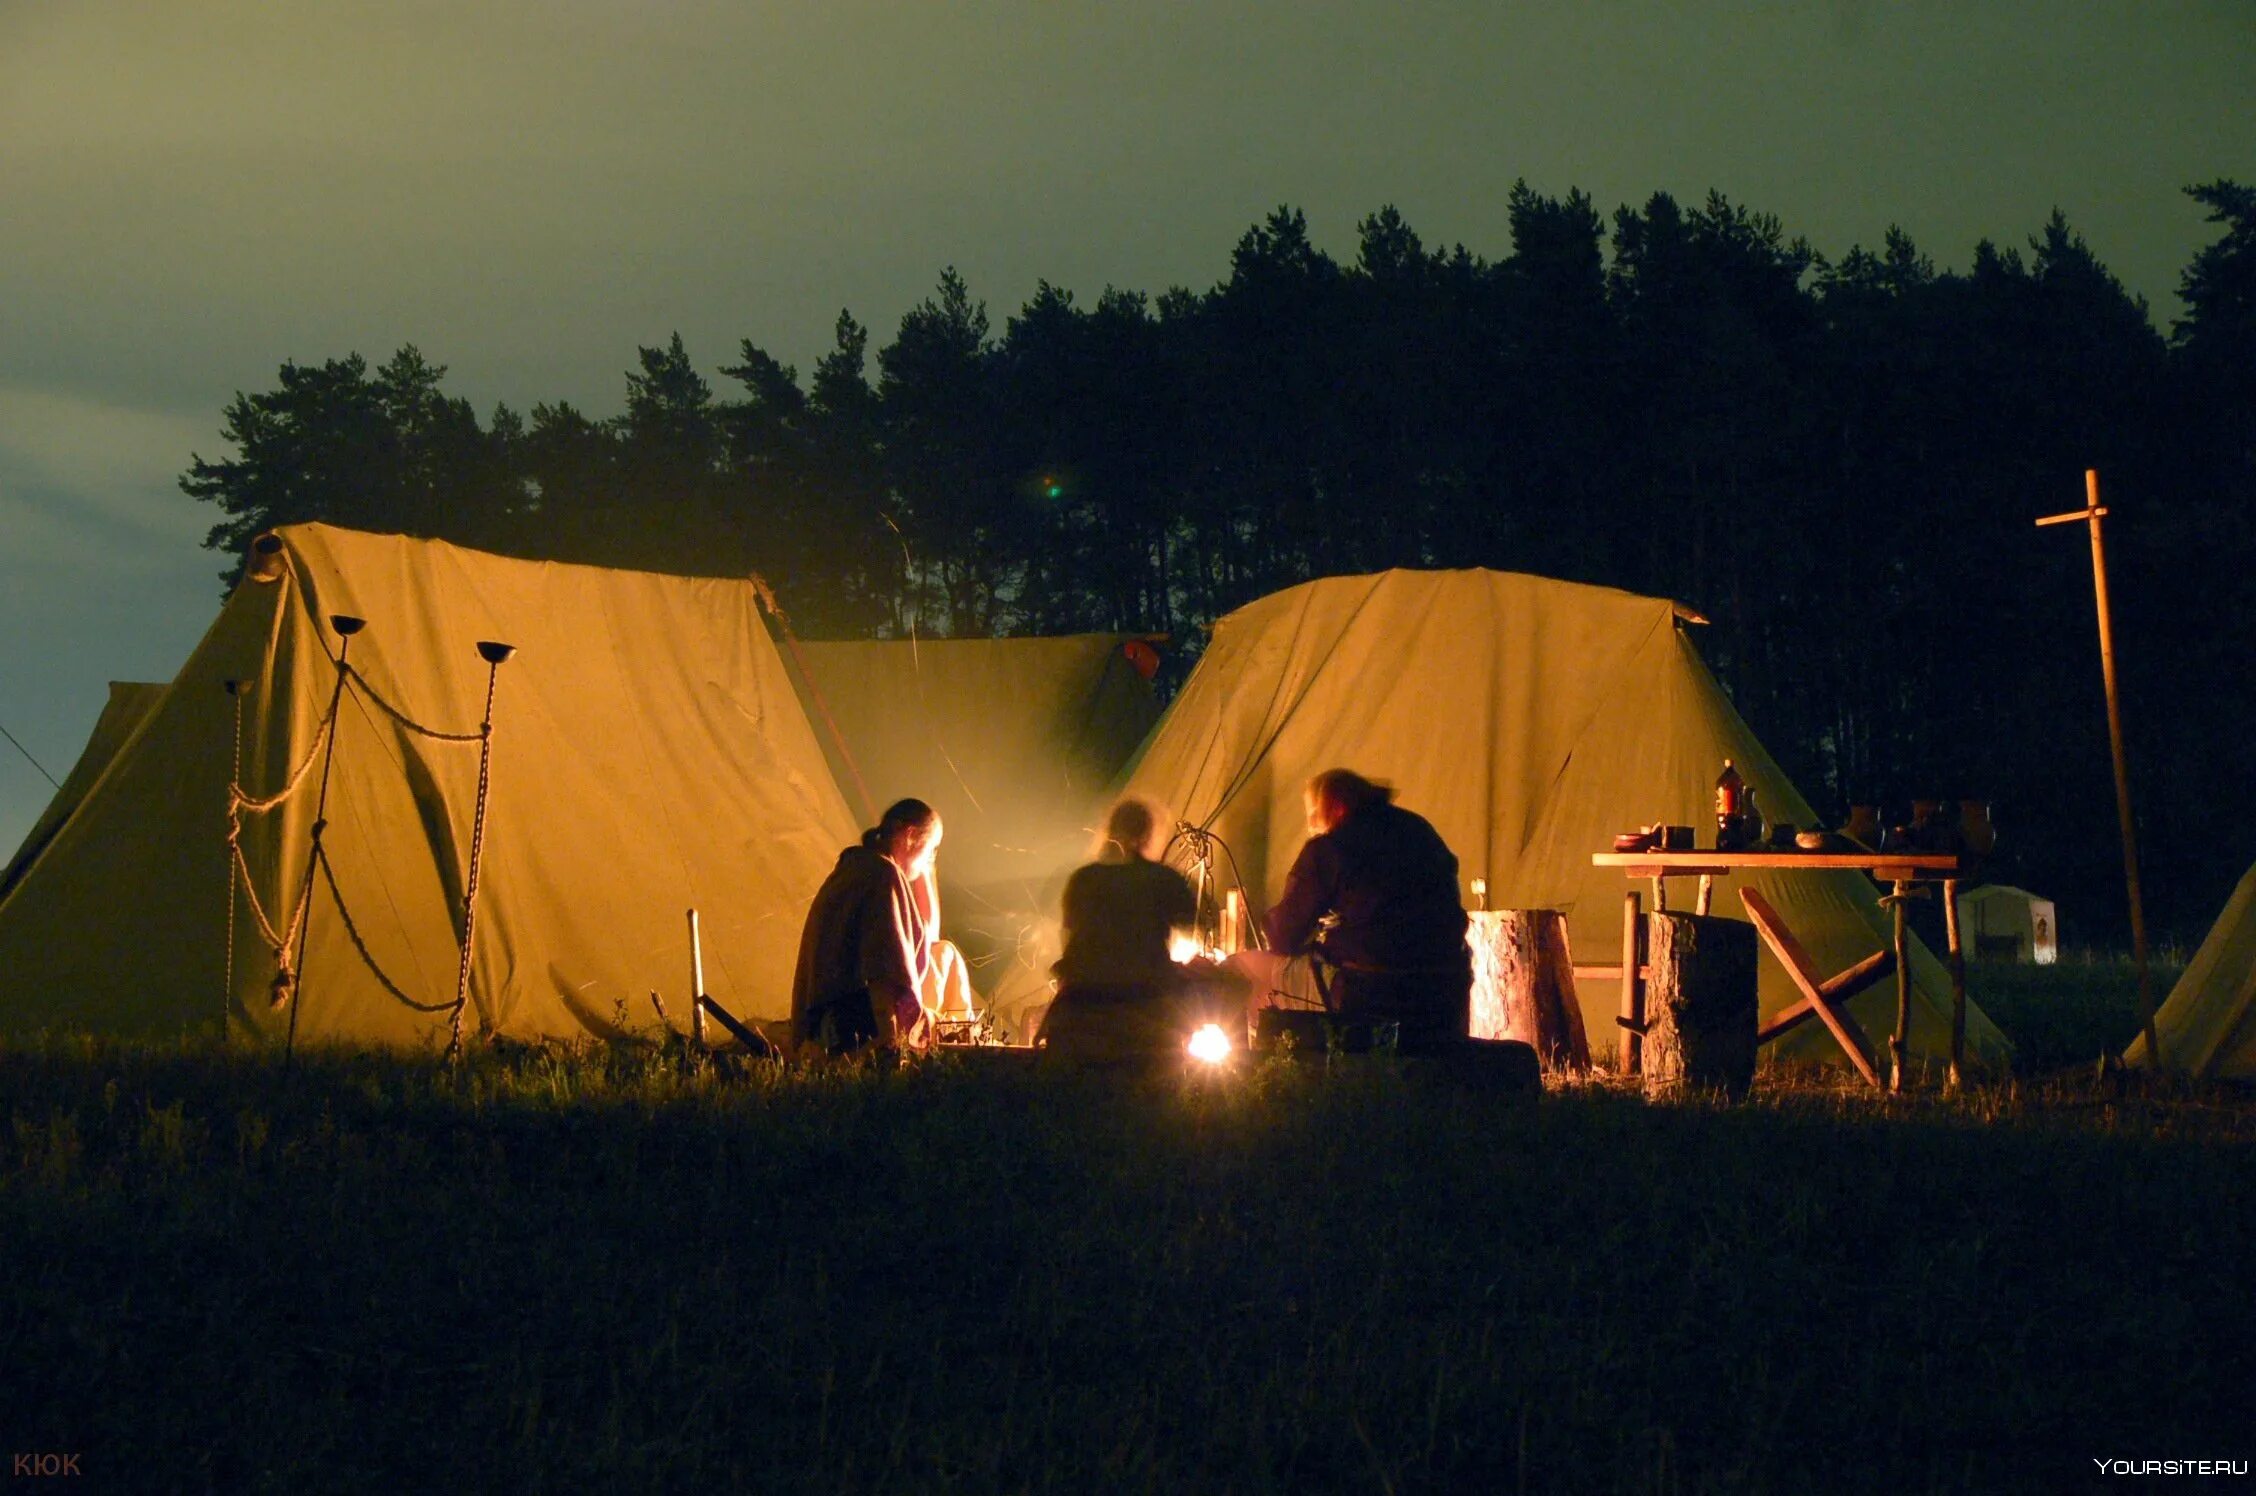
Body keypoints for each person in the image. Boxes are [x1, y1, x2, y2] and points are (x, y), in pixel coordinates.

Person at [1239, 768, 1470, 1048]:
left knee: (1244, 970)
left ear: (1336, 808)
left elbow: (1283, 936)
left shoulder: (1332, 846)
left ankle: (1268, 1077)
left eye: (1314, 814)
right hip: (1444, 989)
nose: (1311, 824)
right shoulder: (1418, 829)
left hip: (1372, 992)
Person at [1040, 798, 1200, 1059]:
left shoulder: (1083, 879)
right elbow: (1193, 917)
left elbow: (1067, 939)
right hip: (1144, 1012)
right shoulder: (1162, 880)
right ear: (1147, 835)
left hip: (1080, 1011)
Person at [790, 798, 943, 1056]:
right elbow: (884, 966)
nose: (928, 862)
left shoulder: (854, 868)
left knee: (945, 956)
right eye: (931, 851)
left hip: (821, 1020)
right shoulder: (883, 875)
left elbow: (926, 934)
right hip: (849, 1025)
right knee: (937, 1028)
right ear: (910, 835)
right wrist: (889, 1039)